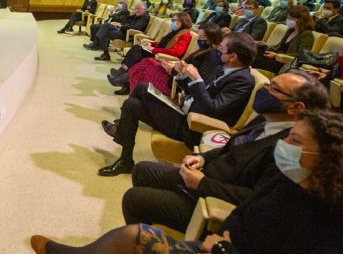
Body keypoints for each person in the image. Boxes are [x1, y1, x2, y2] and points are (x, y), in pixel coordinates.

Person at [31, 110, 343, 254]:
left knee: (136, 238)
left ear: (329, 158)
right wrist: (223, 246)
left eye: (293, 140)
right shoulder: (292, 180)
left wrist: (222, 253)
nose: (283, 145)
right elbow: (242, 214)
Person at [123, 70, 329, 232]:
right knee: (143, 171)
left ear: (296, 108)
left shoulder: (291, 149)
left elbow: (258, 199)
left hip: (213, 199)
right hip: (206, 175)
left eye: (274, 88)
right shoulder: (269, 117)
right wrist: (203, 158)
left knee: (134, 199)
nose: (264, 89)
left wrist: (203, 184)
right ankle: (149, 233)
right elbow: (231, 146)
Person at [98, 33, 256, 176]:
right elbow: (197, 92)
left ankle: (120, 128)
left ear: (233, 56)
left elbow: (212, 110)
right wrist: (182, 75)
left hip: (193, 127)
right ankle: (126, 160)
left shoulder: (242, 81)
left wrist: (197, 79)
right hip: (182, 111)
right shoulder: (223, 67)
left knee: (142, 88)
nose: (217, 51)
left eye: (221, 49)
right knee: (132, 104)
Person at [108, 12, 193, 95]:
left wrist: (153, 50)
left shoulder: (185, 35)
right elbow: (163, 42)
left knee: (137, 51)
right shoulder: (176, 31)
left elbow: (176, 52)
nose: (172, 22)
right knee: (137, 49)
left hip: (163, 57)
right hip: (158, 52)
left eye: (174, 20)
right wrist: (151, 44)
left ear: (182, 21)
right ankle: (124, 80)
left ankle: (121, 76)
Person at [127, 23, 223, 96]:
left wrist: (175, 69)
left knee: (144, 66)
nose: (199, 39)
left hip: (175, 85)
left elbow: (199, 79)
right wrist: (173, 65)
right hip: (173, 75)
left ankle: (129, 90)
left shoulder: (211, 54)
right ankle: (130, 90)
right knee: (147, 63)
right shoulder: (204, 49)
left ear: (212, 38)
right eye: (199, 36)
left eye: (202, 37)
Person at [252, 5, 314, 74]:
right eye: (288, 17)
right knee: (256, 50)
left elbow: (302, 55)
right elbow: (279, 46)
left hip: (285, 63)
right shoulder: (290, 30)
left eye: (291, 18)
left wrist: (277, 55)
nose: (288, 20)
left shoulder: (307, 34)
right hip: (276, 58)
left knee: (255, 59)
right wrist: (265, 45)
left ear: (301, 20)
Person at [85, 1, 150, 61]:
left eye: (138, 9)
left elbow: (136, 27)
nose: (136, 10)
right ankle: (98, 45)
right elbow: (127, 20)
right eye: (135, 9)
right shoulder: (138, 15)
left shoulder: (145, 17)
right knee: (106, 25)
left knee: (105, 32)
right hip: (123, 29)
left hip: (128, 34)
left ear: (144, 9)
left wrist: (122, 26)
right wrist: (119, 23)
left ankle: (99, 47)